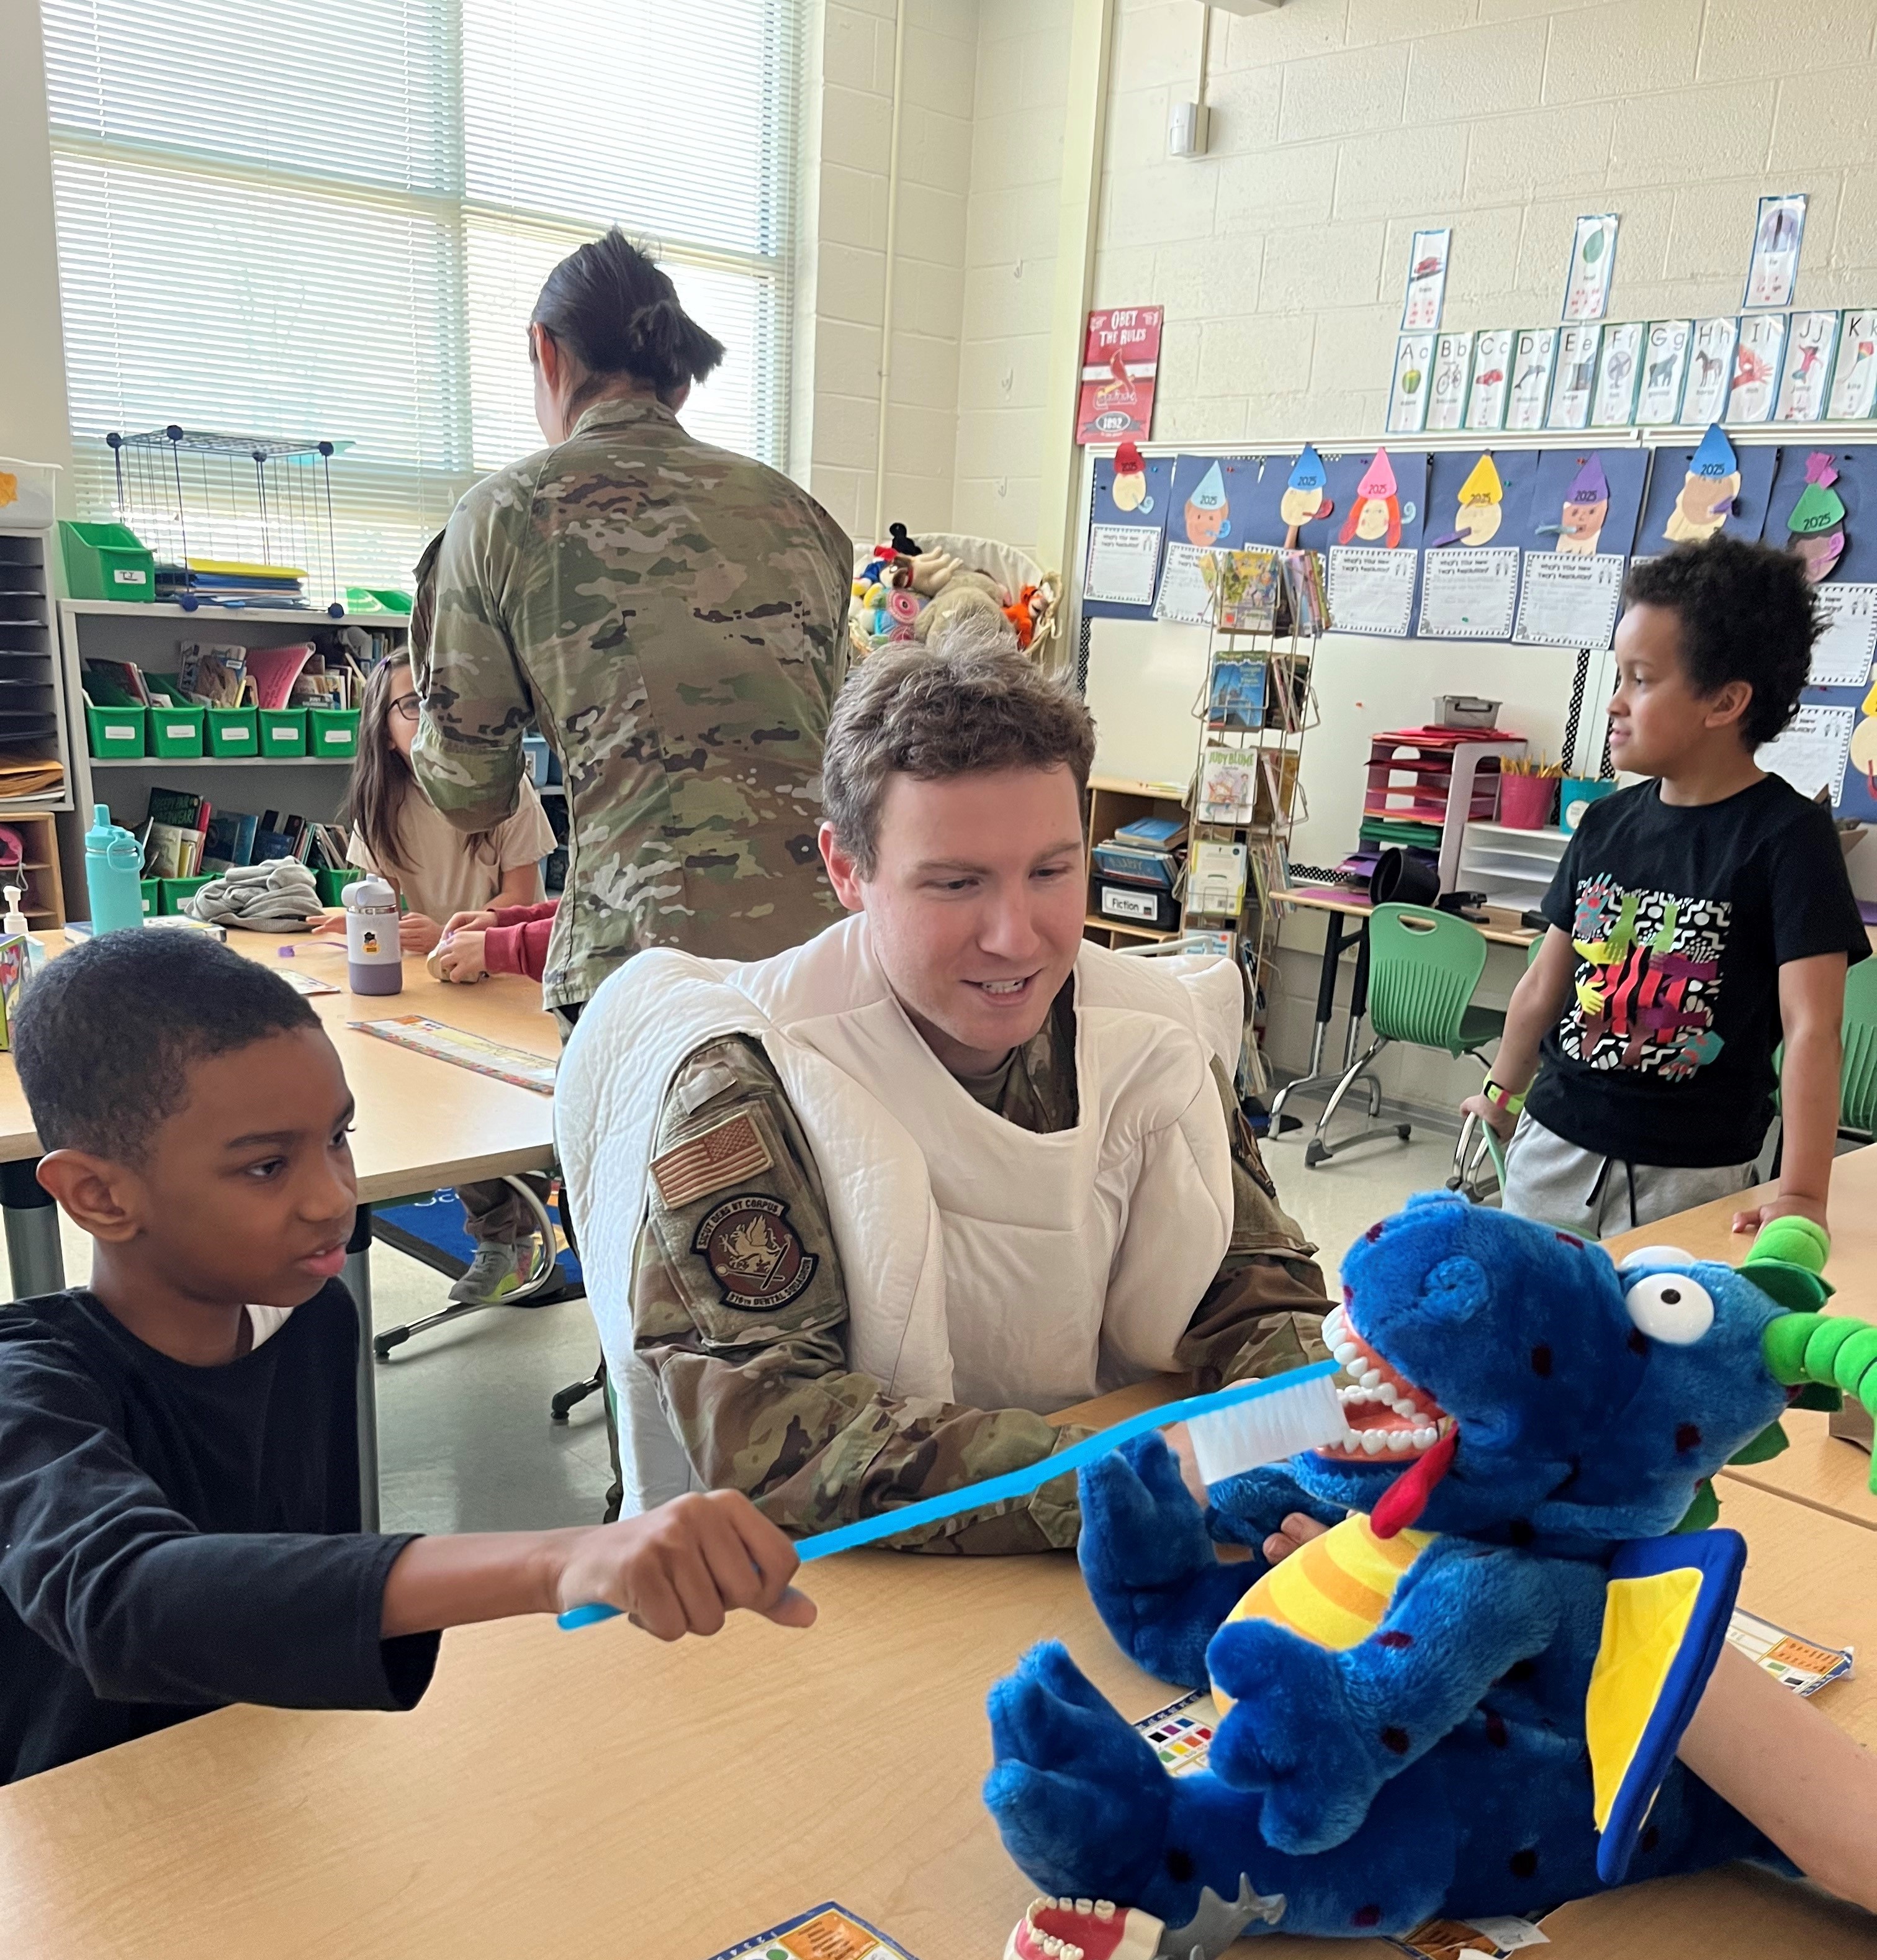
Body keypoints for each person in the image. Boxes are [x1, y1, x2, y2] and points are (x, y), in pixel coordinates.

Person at [556, 631, 1332, 1550]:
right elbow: (770, 1435)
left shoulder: (1148, 1032)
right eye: (956, 884)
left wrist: (1296, 1447)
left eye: (1051, 870)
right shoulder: (752, 1070)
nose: (1018, 936)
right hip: (843, 1594)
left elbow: (1258, 1289)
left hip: (1105, 1537)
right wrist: (1117, 1479)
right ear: (847, 868)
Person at [0, 931, 812, 1785]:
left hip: (271, 1785)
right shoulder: (26, 1388)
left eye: (339, 1138)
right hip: (84, 1827)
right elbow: (128, 1602)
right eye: (267, 1166)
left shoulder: (311, 1323)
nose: (334, 1197)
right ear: (98, 1195)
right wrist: (554, 1560)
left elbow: (298, 1617)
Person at [412, 227, 853, 1027]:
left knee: (660, 1160)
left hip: (645, 965)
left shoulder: (504, 515)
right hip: (826, 959)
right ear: (677, 378)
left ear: (546, 352)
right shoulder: (801, 514)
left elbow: (468, 793)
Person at [1462, 539, 1868, 1237]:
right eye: (1618, 676)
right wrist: (1501, 1090)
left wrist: (1802, 1192)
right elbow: (1542, 985)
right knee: (1535, 1331)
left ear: (1726, 701)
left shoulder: (1790, 838)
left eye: (1641, 680)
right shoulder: (1607, 824)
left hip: (1693, 1174)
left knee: (1655, 1340)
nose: (1615, 703)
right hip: (1554, 1143)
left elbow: (1812, 1030)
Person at [315, 642, 557, 1304]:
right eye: (411, 704)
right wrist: (367, 924)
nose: (427, 716)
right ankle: (497, 1235)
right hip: (420, 985)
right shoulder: (378, 803)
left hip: (497, 982)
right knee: (431, 1099)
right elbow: (378, 899)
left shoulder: (505, 794)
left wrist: (448, 924)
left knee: (496, 1105)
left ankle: (514, 1240)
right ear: (386, 730)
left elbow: (521, 900)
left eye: (437, 701)